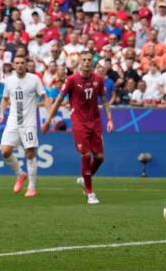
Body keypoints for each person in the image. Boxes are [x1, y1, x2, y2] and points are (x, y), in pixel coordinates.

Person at [40, 50, 114, 205]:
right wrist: (48, 120)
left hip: (95, 122)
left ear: (92, 62)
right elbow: (58, 101)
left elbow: (105, 102)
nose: (87, 62)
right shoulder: (71, 80)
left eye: (89, 60)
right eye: (84, 60)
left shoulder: (98, 79)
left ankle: (83, 179)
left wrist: (110, 119)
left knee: (99, 159)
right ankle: (91, 193)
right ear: (79, 62)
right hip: (78, 123)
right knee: (86, 156)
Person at [0, 55, 53, 196]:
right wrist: (2, 113)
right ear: (13, 65)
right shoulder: (9, 81)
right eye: (17, 63)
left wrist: (50, 115)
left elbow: (44, 97)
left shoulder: (34, 79)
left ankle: (31, 187)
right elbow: (4, 99)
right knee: (5, 151)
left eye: (22, 63)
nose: (20, 65)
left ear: (26, 65)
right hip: (13, 121)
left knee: (29, 152)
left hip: (29, 122)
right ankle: (20, 174)